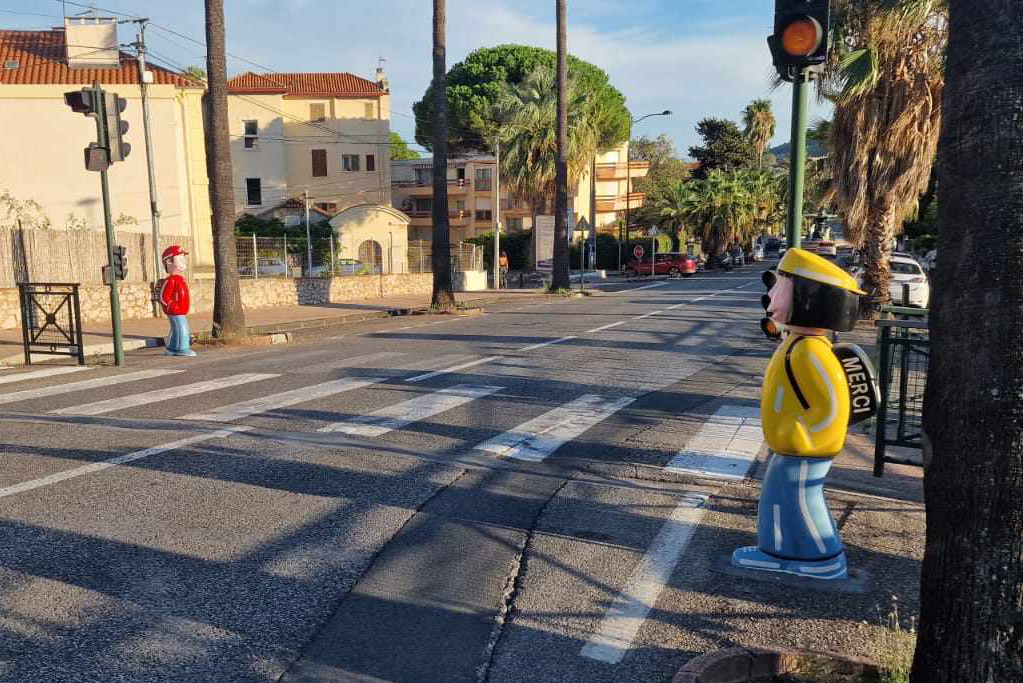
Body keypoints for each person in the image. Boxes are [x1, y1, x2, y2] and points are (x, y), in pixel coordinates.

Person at [733, 248, 875, 580]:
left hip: (805, 449)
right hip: (790, 447)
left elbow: (834, 404)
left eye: (779, 288)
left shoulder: (812, 352)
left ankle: (824, 558)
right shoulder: (799, 344)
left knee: (802, 499)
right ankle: (777, 551)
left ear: (808, 298)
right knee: (778, 499)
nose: (770, 297)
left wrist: (805, 437)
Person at [160, 245, 196, 357]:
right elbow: (163, 297)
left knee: (177, 330)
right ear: (169, 262)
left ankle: (172, 348)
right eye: (180, 258)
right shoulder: (171, 280)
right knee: (182, 329)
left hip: (181, 310)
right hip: (176, 311)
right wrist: (172, 306)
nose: (183, 261)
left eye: (183, 258)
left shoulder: (179, 279)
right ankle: (182, 348)